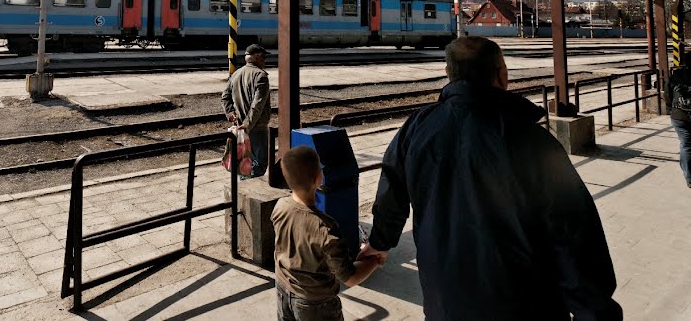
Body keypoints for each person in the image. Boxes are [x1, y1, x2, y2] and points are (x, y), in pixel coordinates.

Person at [360, 36, 621, 320]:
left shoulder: (416, 128)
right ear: (502, 74)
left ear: (449, 75)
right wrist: (595, 311)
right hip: (524, 304)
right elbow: (574, 234)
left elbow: (391, 196)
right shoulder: (532, 140)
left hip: (445, 300)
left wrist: (379, 242)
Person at [273, 145, 381, 320]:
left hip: (283, 291)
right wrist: (374, 261)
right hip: (316, 304)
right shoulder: (326, 228)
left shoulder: (279, 207)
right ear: (318, 178)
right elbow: (349, 277)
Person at [222, 44, 271, 177]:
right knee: (259, 163)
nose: (264, 61)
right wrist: (247, 125)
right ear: (257, 58)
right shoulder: (261, 76)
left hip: (239, 127)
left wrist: (230, 113)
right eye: (263, 57)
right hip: (256, 128)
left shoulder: (236, 74)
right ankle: (252, 190)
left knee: (243, 160)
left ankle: (243, 186)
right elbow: (257, 105)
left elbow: (225, 97)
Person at [666, 66, 691, 188]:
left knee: (686, 145)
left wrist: (671, 109)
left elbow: (667, 94)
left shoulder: (676, 74)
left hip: (679, 115)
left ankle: (689, 178)